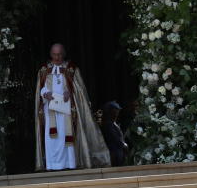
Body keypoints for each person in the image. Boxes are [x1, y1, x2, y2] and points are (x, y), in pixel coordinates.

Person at [33, 43, 111, 171]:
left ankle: (70, 163)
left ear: (63, 54)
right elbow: (40, 89)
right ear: (50, 54)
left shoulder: (71, 69)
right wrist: (44, 93)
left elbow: (80, 90)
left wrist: (70, 91)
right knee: (51, 137)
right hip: (50, 108)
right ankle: (52, 165)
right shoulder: (43, 70)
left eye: (59, 54)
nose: (57, 57)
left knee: (66, 135)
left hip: (67, 109)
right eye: (54, 54)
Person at [101, 101, 129, 167]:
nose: (117, 112)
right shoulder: (108, 125)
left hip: (119, 151)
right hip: (114, 152)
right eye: (115, 110)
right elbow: (115, 138)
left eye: (117, 110)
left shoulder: (114, 123)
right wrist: (123, 144)